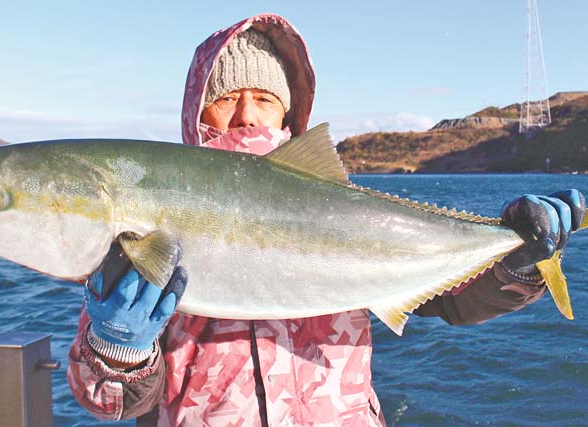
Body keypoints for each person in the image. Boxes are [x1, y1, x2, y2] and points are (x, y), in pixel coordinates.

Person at [67, 14, 586, 426]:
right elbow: (111, 402)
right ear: (197, 113)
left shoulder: (348, 212)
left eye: (265, 99)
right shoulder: (149, 217)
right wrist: (117, 348)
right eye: (225, 99)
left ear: (289, 116)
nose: (247, 115)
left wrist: (517, 264)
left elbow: (456, 302)